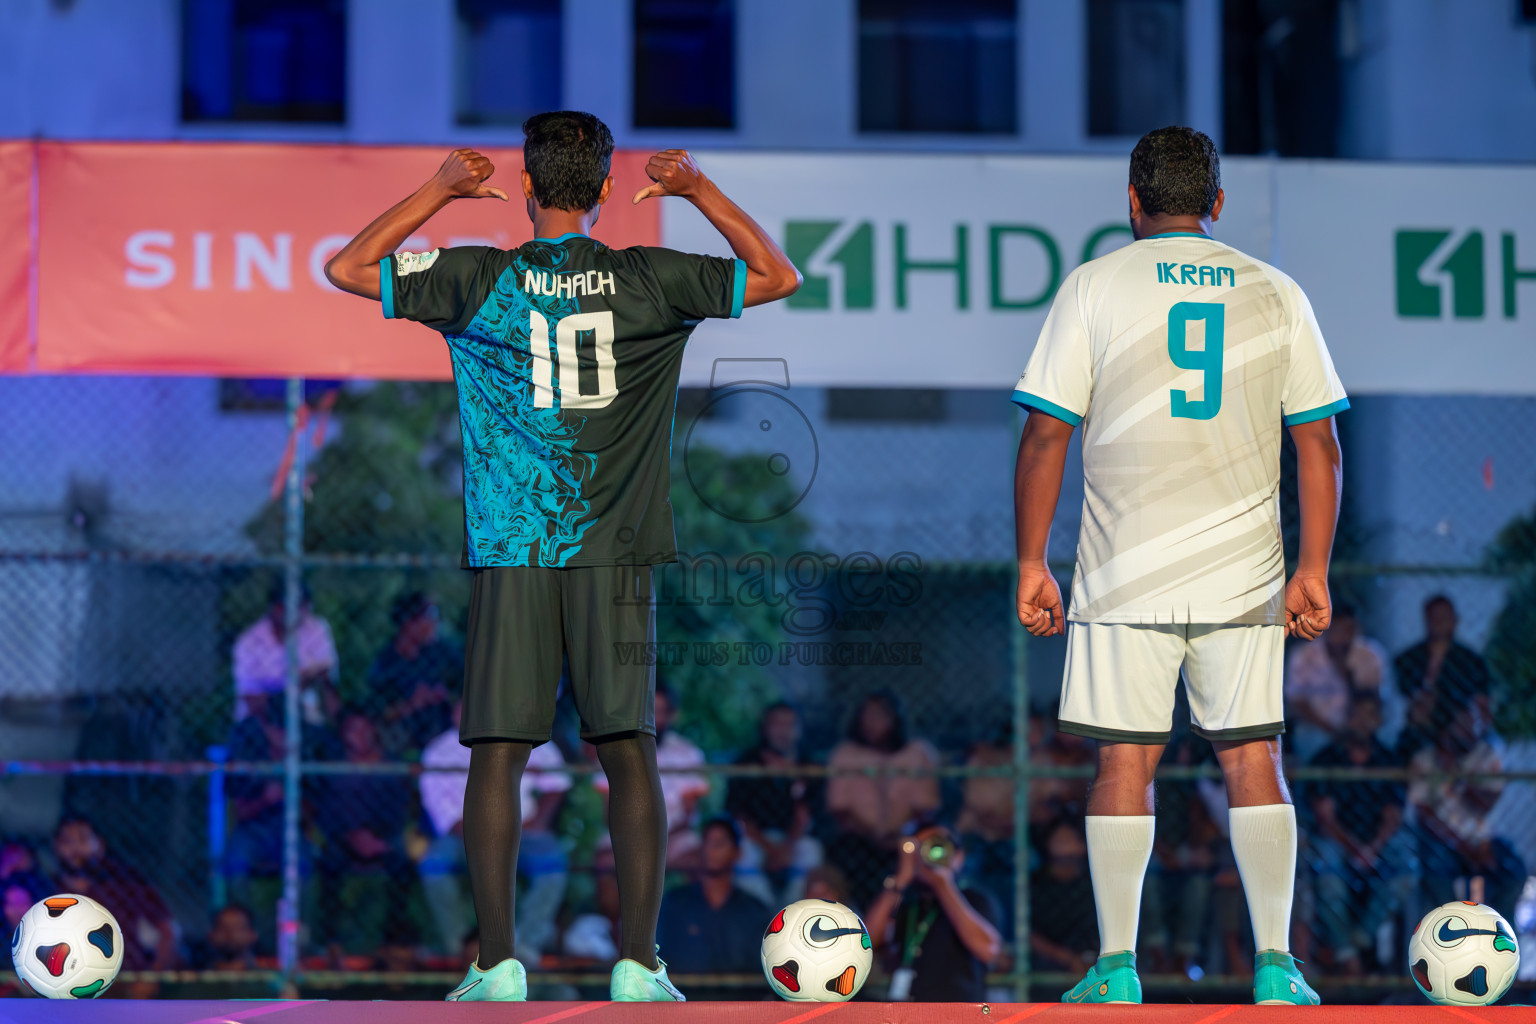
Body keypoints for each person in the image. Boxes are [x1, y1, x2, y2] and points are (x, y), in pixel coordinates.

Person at [323, 109, 800, 1002]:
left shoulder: (476, 276)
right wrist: (698, 191)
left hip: (514, 547)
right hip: (612, 552)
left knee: (498, 753)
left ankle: (497, 962)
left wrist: (440, 188)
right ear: (610, 190)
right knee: (628, 752)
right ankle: (638, 963)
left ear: (529, 186)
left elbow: (345, 268)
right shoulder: (651, 278)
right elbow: (778, 275)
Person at [1011, 126, 1348, 1005]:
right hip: (1243, 570)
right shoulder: (1275, 291)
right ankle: (1277, 967)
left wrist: (1030, 562)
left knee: (1125, 763)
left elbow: (1047, 430)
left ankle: (1117, 972)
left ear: (1131, 199)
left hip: (1124, 574)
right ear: (1218, 204)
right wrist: (1312, 568)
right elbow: (1320, 444)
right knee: (1252, 758)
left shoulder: (1093, 286)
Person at [418, 700, 571, 961]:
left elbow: (557, 782)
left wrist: (539, 822)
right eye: (462, 707)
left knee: (552, 866)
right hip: (465, 834)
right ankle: (461, 948)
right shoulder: (439, 751)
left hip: (522, 830)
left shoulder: (524, 734)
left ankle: (524, 947)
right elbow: (440, 810)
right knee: (434, 865)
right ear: (454, 711)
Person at [1303, 691, 1414, 974]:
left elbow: (1393, 816)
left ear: (1379, 720)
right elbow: (1325, 817)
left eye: (1370, 715)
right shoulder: (1327, 758)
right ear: (1348, 718)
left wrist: (1372, 849)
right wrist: (1355, 849)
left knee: (1407, 865)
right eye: (1357, 714)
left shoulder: (1388, 759)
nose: (1363, 721)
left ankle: (1358, 940)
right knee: (1326, 869)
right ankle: (1347, 955)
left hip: (1377, 842)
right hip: (1338, 841)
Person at [825, 691, 941, 910]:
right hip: (861, 838)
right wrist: (874, 835)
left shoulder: (918, 753)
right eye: (867, 716)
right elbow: (840, 810)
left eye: (880, 716)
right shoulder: (846, 754)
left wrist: (901, 834)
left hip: (907, 836)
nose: (873, 723)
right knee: (850, 855)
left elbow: (926, 806)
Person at [312, 712, 415, 956]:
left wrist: (376, 838)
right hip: (344, 837)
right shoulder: (333, 770)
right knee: (329, 864)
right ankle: (331, 941)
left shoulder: (391, 768)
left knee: (401, 864)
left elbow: (400, 808)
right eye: (353, 729)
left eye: (364, 729)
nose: (359, 735)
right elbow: (325, 810)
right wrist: (352, 836)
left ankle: (392, 939)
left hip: (383, 836)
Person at [1409, 699, 1526, 915]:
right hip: (1443, 841)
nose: (1469, 730)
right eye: (1461, 725)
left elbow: (1485, 804)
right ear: (1446, 729)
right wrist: (1462, 846)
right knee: (1434, 868)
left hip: (1483, 840)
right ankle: (1454, 926)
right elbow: (1424, 816)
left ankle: (1500, 930)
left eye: (1471, 724)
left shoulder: (1485, 755)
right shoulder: (1425, 760)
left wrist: (1458, 778)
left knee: (1514, 871)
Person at [864, 824, 1002, 1003]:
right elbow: (867, 941)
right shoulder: (905, 903)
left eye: (938, 846)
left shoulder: (974, 899)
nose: (930, 855)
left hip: (957, 1013)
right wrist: (900, 879)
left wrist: (942, 883)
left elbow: (988, 950)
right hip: (906, 1013)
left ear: (958, 857)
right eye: (921, 848)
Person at [592, 682, 710, 873]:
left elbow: (689, 815)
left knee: (700, 860)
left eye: (660, 711)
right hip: (627, 836)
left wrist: (660, 844)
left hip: (675, 836)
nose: (652, 719)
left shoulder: (687, 753)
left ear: (672, 715)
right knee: (604, 861)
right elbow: (609, 811)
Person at [655, 818, 773, 1000]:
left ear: (737, 852)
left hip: (741, 1010)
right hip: (683, 1007)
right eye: (708, 842)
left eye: (720, 842)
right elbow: (658, 961)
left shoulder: (754, 911)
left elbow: (762, 974)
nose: (712, 849)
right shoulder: (674, 904)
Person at [51, 816, 180, 978]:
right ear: (56, 847)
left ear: (100, 845)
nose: (75, 848)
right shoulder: (49, 888)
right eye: (67, 841)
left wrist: (152, 978)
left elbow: (168, 931)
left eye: (83, 839)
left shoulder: (126, 883)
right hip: (66, 978)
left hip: (124, 977)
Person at [726, 701, 823, 906]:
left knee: (811, 850)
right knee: (742, 852)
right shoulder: (745, 763)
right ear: (765, 727)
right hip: (757, 839)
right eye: (777, 724)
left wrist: (787, 847)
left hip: (793, 841)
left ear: (799, 730)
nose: (783, 731)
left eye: (790, 725)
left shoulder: (809, 765)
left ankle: (791, 914)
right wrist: (770, 848)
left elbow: (807, 815)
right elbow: (738, 815)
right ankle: (762, 915)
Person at [1284, 604, 1390, 759]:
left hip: (1362, 727)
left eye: (1347, 629)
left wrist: (1347, 678)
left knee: (1383, 736)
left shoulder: (1371, 655)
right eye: (1336, 629)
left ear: (1356, 628)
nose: (1341, 636)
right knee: (1310, 741)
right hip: (1317, 728)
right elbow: (1297, 702)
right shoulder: (1303, 655)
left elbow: (1374, 701)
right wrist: (1332, 730)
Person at [1394, 594, 1493, 758]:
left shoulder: (1472, 662)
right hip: (1422, 733)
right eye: (1434, 617)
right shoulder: (1407, 660)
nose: (1439, 622)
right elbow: (1406, 700)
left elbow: (1483, 705)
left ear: (1455, 620)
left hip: (1462, 734)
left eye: (1444, 617)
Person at [365, 591, 464, 756]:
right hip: (402, 735)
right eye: (430, 614)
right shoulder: (386, 663)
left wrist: (446, 697)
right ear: (408, 622)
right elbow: (377, 713)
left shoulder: (443, 653)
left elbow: (465, 687)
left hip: (443, 728)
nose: (435, 621)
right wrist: (412, 704)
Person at [232, 580, 339, 726]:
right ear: (276, 608)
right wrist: (299, 683)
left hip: (307, 715)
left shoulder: (316, 628)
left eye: (304, 606)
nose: (301, 613)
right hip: (261, 720)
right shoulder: (249, 641)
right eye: (294, 606)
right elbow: (252, 699)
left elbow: (325, 678)